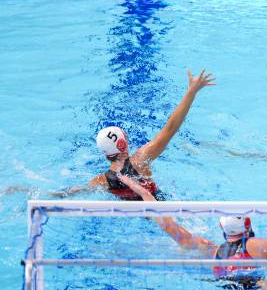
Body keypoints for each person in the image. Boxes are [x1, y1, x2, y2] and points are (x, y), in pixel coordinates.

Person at [117, 174, 267, 290]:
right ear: (247, 225)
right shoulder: (258, 245)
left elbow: (169, 226)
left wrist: (144, 193)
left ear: (222, 228)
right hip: (260, 289)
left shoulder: (212, 250)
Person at [55, 69, 215, 200]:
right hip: (163, 214)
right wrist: (191, 91)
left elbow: (74, 191)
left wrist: (50, 194)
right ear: (122, 145)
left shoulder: (102, 180)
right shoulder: (141, 160)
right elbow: (171, 127)